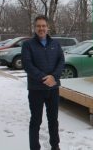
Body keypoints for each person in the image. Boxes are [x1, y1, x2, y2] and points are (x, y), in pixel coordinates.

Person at [22, 15, 64, 150]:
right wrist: (45, 78)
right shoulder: (28, 45)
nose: (41, 28)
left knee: (53, 120)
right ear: (34, 28)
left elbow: (61, 62)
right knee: (36, 121)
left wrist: (54, 77)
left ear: (48, 27)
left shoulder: (55, 44)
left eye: (43, 26)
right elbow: (28, 65)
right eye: (38, 26)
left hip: (53, 89)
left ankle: (55, 146)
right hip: (36, 90)